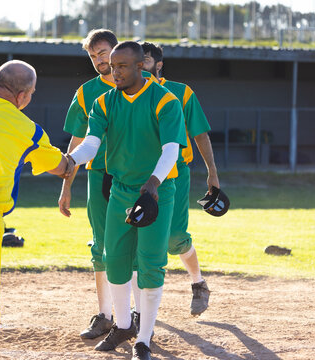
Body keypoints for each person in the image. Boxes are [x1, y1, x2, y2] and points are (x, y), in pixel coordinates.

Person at [66, 41, 187, 360]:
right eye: (113, 65)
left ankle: (143, 339)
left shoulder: (165, 100)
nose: (114, 71)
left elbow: (171, 149)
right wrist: (70, 160)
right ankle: (122, 325)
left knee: (150, 263)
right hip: (120, 189)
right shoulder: (104, 102)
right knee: (115, 259)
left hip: (158, 190)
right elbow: (92, 143)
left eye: (121, 66)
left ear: (139, 67)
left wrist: (152, 184)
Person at [0, 60, 73, 360]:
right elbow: (59, 166)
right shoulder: (27, 128)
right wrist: (71, 163)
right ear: (21, 96)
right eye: (30, 93)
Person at [59, 29, 156, 340]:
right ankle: (105, 315)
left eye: (103, 53)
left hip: (139, 179)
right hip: (100, 175)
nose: (99, 61)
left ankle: (140, 317)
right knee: (102, 247)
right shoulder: (88, 93)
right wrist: (67, 184)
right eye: (93, 56)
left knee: (141, 250)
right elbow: (78, 139)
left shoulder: (150, 88)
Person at [141, 41, 219, 316]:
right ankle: (137, 311)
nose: (140, 65)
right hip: (138, 173)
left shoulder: (181, 92)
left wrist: (212, 172)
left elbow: (199, 134)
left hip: (176, 172)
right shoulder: (125, 92)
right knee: (138, 237)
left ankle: (198, 283)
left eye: (146, 60)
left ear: (159, 65)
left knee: (174, 237)